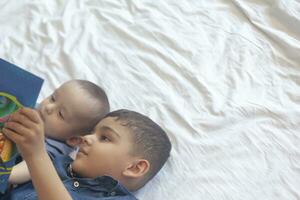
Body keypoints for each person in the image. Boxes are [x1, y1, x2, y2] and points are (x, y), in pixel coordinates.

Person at [2, 108, 172, 200]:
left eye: (104, 138)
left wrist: (36, 155)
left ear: (135, 168)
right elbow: (10, 176)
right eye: (91, 132)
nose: (87, 138)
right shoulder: (58, 162)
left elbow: (38, 161)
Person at [8, 79, 110, 185]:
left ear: (73, 139)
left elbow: (29, 169)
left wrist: (6, 175)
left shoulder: (55, 150)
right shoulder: (38, 111)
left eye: (60, 114)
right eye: (53, 98)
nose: (48, 107)